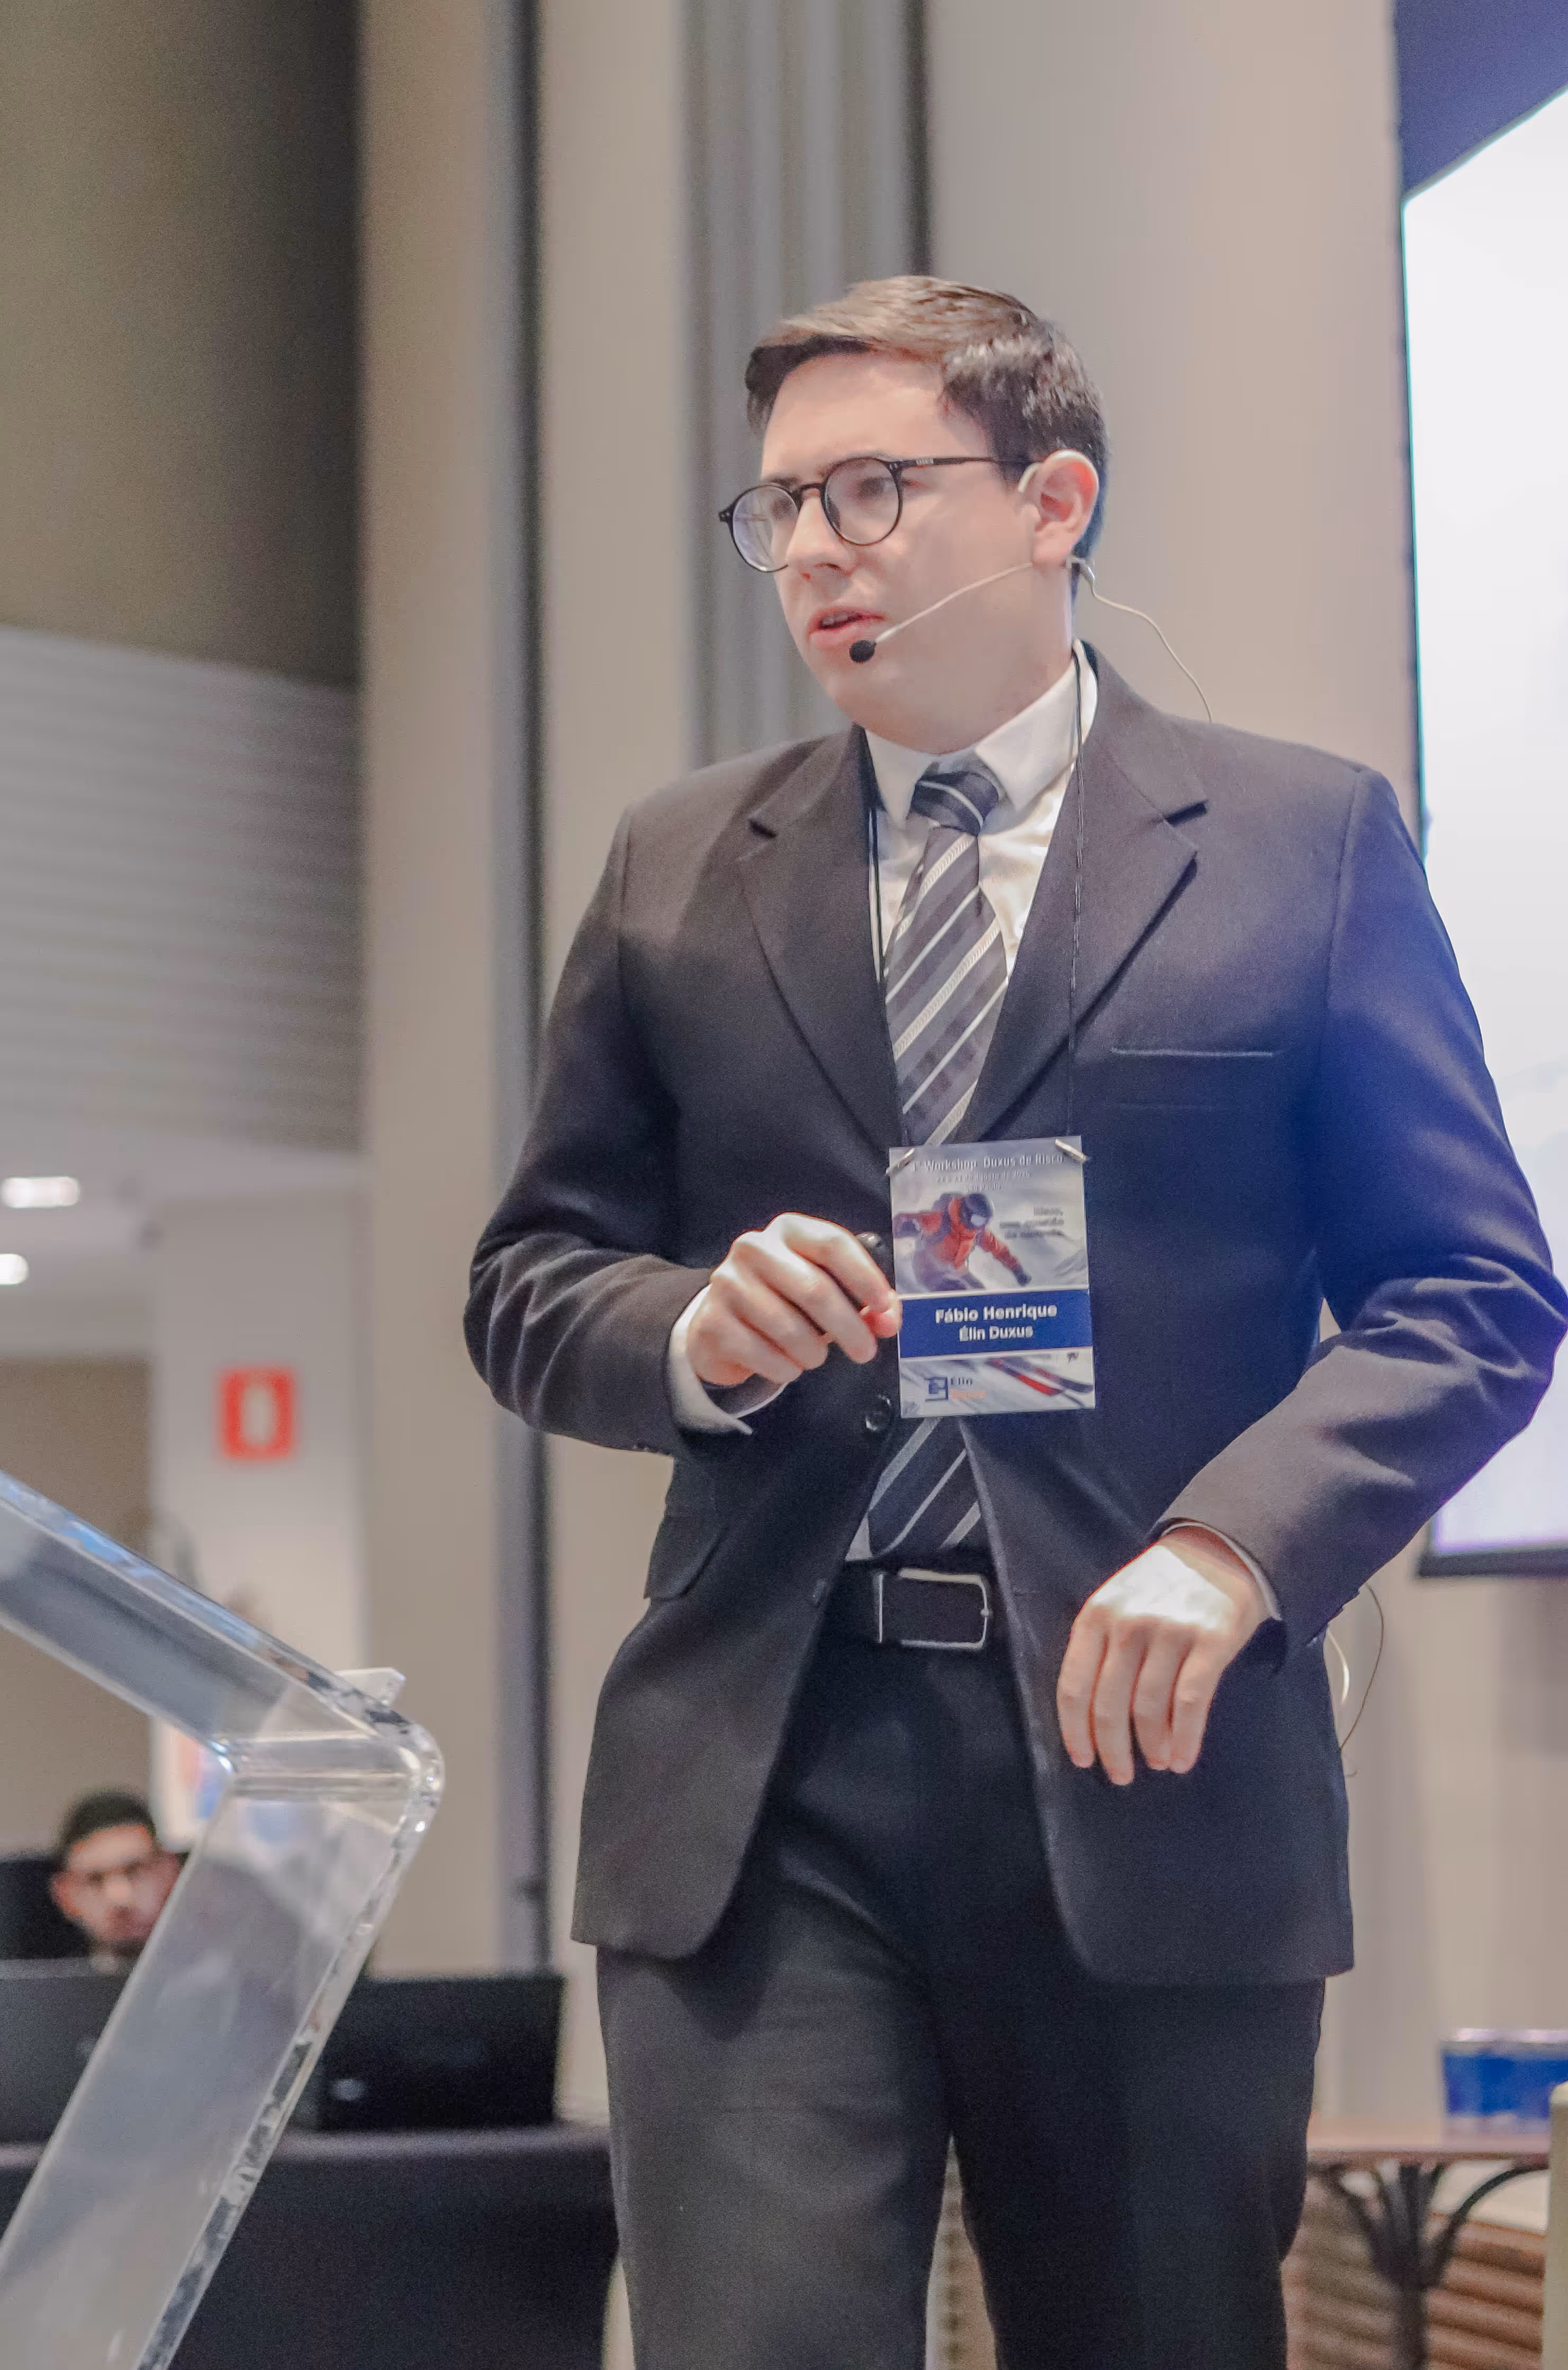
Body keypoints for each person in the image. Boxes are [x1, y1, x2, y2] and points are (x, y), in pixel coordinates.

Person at [465, 277, 1565, 2369]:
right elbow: (528, 1282)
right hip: (763, 1773)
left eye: (869, 490)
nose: (810, 551)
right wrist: (687, 1329)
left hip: (1144, 1764)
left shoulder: (1294, 843)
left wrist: (1233, 1542)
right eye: (775, 510)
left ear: (1051, 497)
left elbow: (1469, 1290)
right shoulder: (675, 864)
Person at [50, 1790, 181, 1971]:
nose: (120, 1897)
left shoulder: (228, 1986)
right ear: (65, 1896)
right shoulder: (44, 1996)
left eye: (135, 1870)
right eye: (94, 1880)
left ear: (170, 1872)